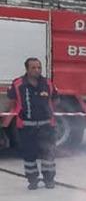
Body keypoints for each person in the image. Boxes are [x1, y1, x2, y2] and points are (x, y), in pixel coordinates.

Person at [7, 58, 59, 190]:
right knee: (29, 156)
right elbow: (11, 101)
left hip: (46, 126)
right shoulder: (18, 84)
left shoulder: (48, 83)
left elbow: (56, 100)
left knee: (48, 155)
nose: (37, 70)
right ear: (27, 69)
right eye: (33, 68)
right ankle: (32, 180)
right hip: (26, 127)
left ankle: (49, 180)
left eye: (39, 67)